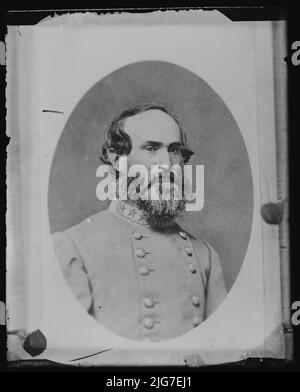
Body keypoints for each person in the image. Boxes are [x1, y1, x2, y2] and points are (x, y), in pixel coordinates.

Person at [52, 103, 227, 342]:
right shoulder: (72, 248)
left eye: (174, 150)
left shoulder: (205, 256)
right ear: (117, 160)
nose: (167, 164)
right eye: (151, 148)